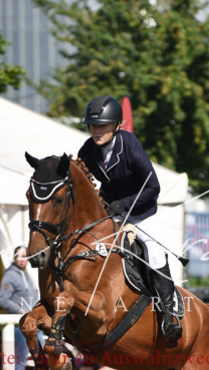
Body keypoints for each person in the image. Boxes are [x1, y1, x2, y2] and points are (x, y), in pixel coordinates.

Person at [78, 94, 181, 343]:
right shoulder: (88, 150)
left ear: (116, 126)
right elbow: (82, 182)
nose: (97, 130)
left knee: (154, 251)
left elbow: (152, 186)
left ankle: (170, 313)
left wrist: (123, 204)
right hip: (110, 213)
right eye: (93, 125)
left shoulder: (129, 143)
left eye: (102, 125)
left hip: (141, 211)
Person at [0, 245, 47, 370]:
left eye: (25, 256)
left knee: (41, 359)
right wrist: (21, 311)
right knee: (19, 362)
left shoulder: (28, 274)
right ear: (14, 258)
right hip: (20, 326)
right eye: (19, 256)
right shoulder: (10, 276)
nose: (22, 259)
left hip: (35, 325)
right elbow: (3, 300)